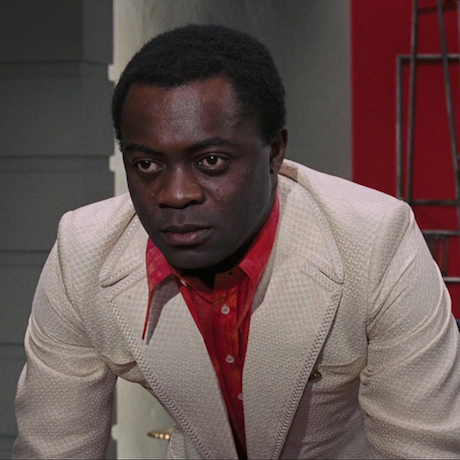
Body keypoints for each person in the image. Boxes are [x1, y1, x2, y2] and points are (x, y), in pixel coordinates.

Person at [13, 24, 460, 460]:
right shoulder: (84, 253)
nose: (175, 194)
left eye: (211, 161)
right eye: (147, 164)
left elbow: (422, 449)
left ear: (275, 151)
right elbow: (52, 447)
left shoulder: (375, 240)